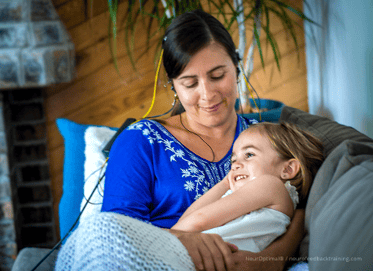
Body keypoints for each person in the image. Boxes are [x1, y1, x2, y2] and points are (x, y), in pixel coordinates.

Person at [57, 9, 314, 271]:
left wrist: (270, 260)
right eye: (190, 83)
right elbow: (115, 237)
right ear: (174, 87)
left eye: (217, 76)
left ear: (236, 70)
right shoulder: (141, 141)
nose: (208, 94)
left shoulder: (262, 138)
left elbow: (302, 206)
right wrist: (181, 240)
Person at [171, 122, 324, 254]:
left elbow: (198, 220)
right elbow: (186, 221)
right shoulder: (260, 194)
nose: (235, 165)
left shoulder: (270, 185)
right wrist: (225, 183)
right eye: (234, 159)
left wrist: (167, 237)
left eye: (249, 154)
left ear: (288, 169)